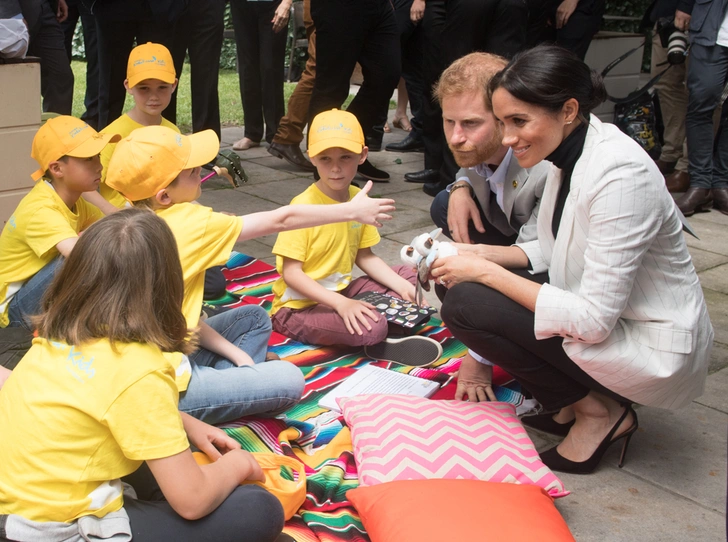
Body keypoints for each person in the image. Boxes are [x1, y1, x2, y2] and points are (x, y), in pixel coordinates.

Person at [433, 45, 713, 474]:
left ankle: (601, 414)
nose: (507, 139)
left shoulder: (620, 174)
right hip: (606, 320)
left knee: (468, 301)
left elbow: (593, 321)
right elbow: (552, 246)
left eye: (519, 122)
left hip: (649, 347)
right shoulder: (569, 149)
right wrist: (472, 253)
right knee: (454, 281)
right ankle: (570, 402)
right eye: (504, 122)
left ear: (567, 110)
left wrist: (486, 271)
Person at [0, 208, 285, 542]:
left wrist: (189, 424)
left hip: (16, 503)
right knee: (259, 509)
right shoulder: (140, 367)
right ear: (168, 284)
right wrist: (240, 465)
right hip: (54, 528)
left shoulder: (54, 338)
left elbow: (107, 403)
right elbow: (192, 501)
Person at [105, 125, 396, 424]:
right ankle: (205, 401)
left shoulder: (128, 218)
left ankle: (227, 384)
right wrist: (351, 210)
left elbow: (182, 318)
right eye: (192, 170)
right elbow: (282, 219)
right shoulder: (190, 223)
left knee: (253, 317)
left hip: (146, 358)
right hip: (155, 389)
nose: (202, 170)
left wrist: (241, 360)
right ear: (164, 196)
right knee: (289, 378)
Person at [269, 109, 442, 365]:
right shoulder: (302, 206)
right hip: (297, 309)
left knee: (408, 276)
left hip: (343, 291)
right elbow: (292, 274)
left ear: (362, 155)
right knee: (372, 327)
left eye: (346, 157)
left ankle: (381, 326)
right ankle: (379, 333)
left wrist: (402, 287)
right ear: (311, 158)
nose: (336, 168)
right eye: (325, 158)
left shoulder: (358, 199)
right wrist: (340, 304)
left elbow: (365, 257)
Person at [427, 52, 549, 379]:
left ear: (503, 117)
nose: (455, 137)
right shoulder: (481, 147)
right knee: (443, 204)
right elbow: (471, 161)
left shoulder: (544, 165)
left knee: (463, 295)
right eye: (449, 121)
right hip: (517, 234)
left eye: (470, 123)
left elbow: (540, 257)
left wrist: (478, 357)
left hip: (556, 273)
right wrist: (460, 186)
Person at [0, 116, 117, 334]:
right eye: (88, 159)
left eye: (98, 156)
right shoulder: (40, 209)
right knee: (78, 258)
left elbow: (109, 228)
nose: (99, 165)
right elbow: (80, 254)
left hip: (32, 297)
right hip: (12, 316)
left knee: (102, 240)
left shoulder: (75, 201)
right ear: (56, 168)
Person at [307, 0, 400, 182]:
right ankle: (324, 166)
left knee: (387, 75)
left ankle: (350, 146)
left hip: (378, 6)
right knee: (331, 88)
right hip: (338, 7)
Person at [675, 0, 728, 215]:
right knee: (700, 106)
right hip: (712, 28)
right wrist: (686, 5)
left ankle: (721, 184)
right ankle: (700, 184)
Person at [230, 0, 290, 151]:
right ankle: (252, 133)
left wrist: (287, 3)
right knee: (247, 69)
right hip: (242, 6)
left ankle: (275, 133)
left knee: (271, 68)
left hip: (272, 5)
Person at [5, 0, 74, 115]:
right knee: (10, 81)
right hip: (8, 18)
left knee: (60, 78)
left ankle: (56, 131)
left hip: (43, 9)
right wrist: (12, 14)